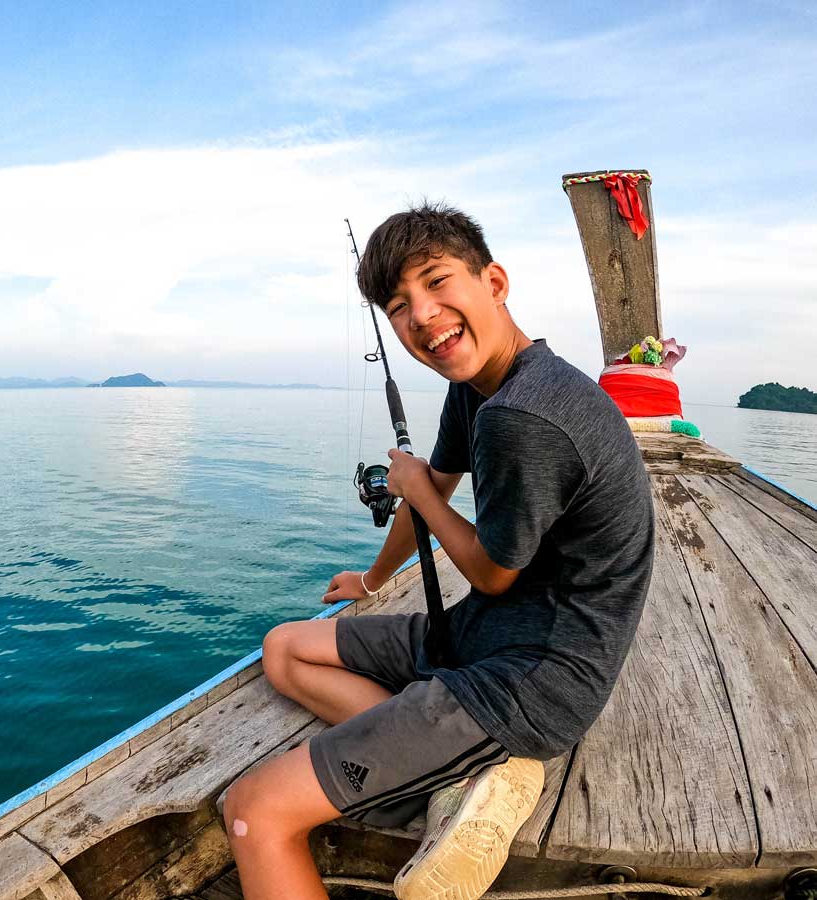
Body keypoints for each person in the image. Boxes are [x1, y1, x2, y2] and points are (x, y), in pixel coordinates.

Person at [222, 203, 655, 900]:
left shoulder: (524, 415)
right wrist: (370, 578)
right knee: (285, 648)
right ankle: (450, 777)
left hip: (532, 681)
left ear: (494, 281)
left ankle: (459, 758)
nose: (421, 315)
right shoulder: (481, 386)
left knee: (253, 814)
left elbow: (487, 570)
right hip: (492, 634)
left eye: (436, 282)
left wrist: (419, 492)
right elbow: (434, 484)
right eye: (398, 305)